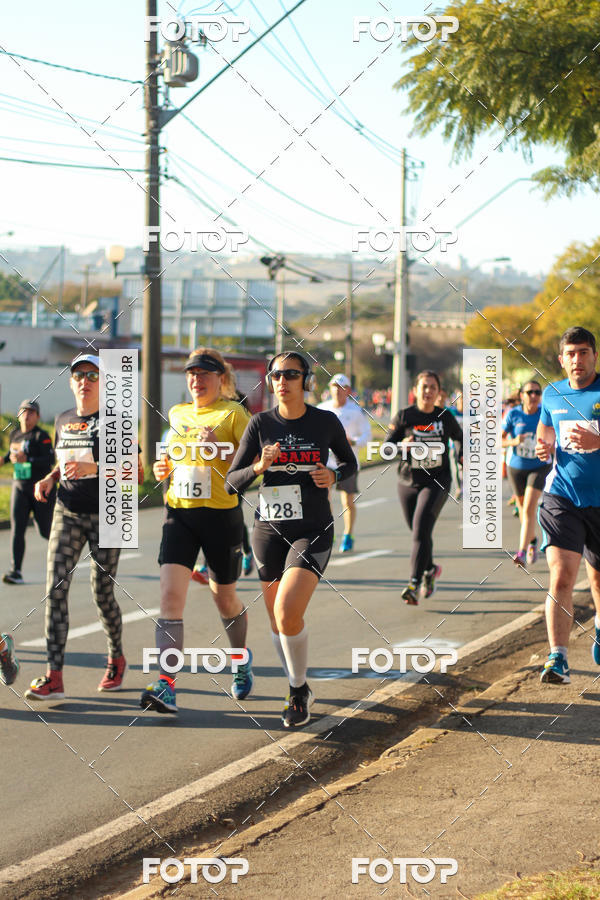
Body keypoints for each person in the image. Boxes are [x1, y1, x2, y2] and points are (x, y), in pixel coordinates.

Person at [225, 351, 356, 728]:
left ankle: (298, 691)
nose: (282, 380)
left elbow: (350, 464)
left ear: (306, 380)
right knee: (278, 621)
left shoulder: (325, 422)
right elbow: (231, 483)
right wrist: (258, 467)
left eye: (291, 374)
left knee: (287, 611)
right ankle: (296, 685)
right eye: (276, 374)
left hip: (312, 528)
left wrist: (332, 477)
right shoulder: (259, 424)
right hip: (269, 529)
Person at [140, 348, 253, 715]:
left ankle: (239, 659)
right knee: (170, 599)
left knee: (225, 599)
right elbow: (172, 458)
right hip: (181, 514)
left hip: (221, 516)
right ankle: (167, 685)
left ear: (221, 378)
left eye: (204, 373)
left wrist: (218, 452)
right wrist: (163, 470)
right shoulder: (177, 413)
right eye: (191, 373)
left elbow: (255, 466)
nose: (196, 379)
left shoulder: (234, 414)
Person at [26, 354, 136, 701]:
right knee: (54, 590)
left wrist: (96, 471)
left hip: (109, 513)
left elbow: (136, 471)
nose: (85, 381)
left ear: (104, 383)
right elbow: (65, 461)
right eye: (79, 376)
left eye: (92, 375)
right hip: (68, 510)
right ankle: (54, 676)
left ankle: (116, 656)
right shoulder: (63, 419)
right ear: (71, 382)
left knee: (102, 594)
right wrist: (49, 477)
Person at [536, 326, 600, 684]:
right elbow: (545, 435)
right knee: (561, 576)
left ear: (594, 355)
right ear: (562, 360)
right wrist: (543, 449)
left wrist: (598, 439)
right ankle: (557, 659)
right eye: (571, 354)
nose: (577, 359)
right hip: (562, 496)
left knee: (598, 580)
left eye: (584, 352)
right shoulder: (552, 394)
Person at [386, 370, 463, 605]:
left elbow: (459, 438)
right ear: (415, 391)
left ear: (439, 392)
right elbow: (386, 448)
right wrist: (401, 445)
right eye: (424, 387)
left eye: (433, 387)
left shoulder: (444, 417)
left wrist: (462, 456)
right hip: (408, 481)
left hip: (437, 481)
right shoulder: (404, 416)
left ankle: (413, 583)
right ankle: (430, 568)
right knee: (419, 532)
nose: (428, 391)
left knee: (420, 530)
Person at [1, 400, 55, 585]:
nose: (27, 414)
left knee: (45, 530)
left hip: (39, 489)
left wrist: (29, 459)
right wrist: (4, 460)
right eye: (24, 411)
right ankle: (15, 571)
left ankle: (65, 555)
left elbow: (50, 459)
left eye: (31, 412)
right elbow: (13, 454)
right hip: (19, 487)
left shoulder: (42, 436)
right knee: (17, 529)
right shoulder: (15, 434)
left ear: (37, 416)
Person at [318, 373, 371, 552]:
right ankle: (329, 533)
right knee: (324, 500)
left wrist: (353, 441)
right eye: (334, 387)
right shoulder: (322, 409)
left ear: (347, 391)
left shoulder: (355, 412)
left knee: (347, 501)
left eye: (341, 388)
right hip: (326, 462)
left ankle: (348, 534)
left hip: (347, 462)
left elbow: (367, 435)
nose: (337, 391)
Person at [502, 380, 552, 566]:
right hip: (516, 468)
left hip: (539, 466)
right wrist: (514, 442)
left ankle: (521, 551)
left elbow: (554, 436)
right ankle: (532, 541)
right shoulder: (513, 414)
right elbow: (498, 440)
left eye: (537, 393)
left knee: (530, 507)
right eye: (530, 392)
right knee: (523, 511)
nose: (534, 396)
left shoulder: (543, 413)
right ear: (522, 395)